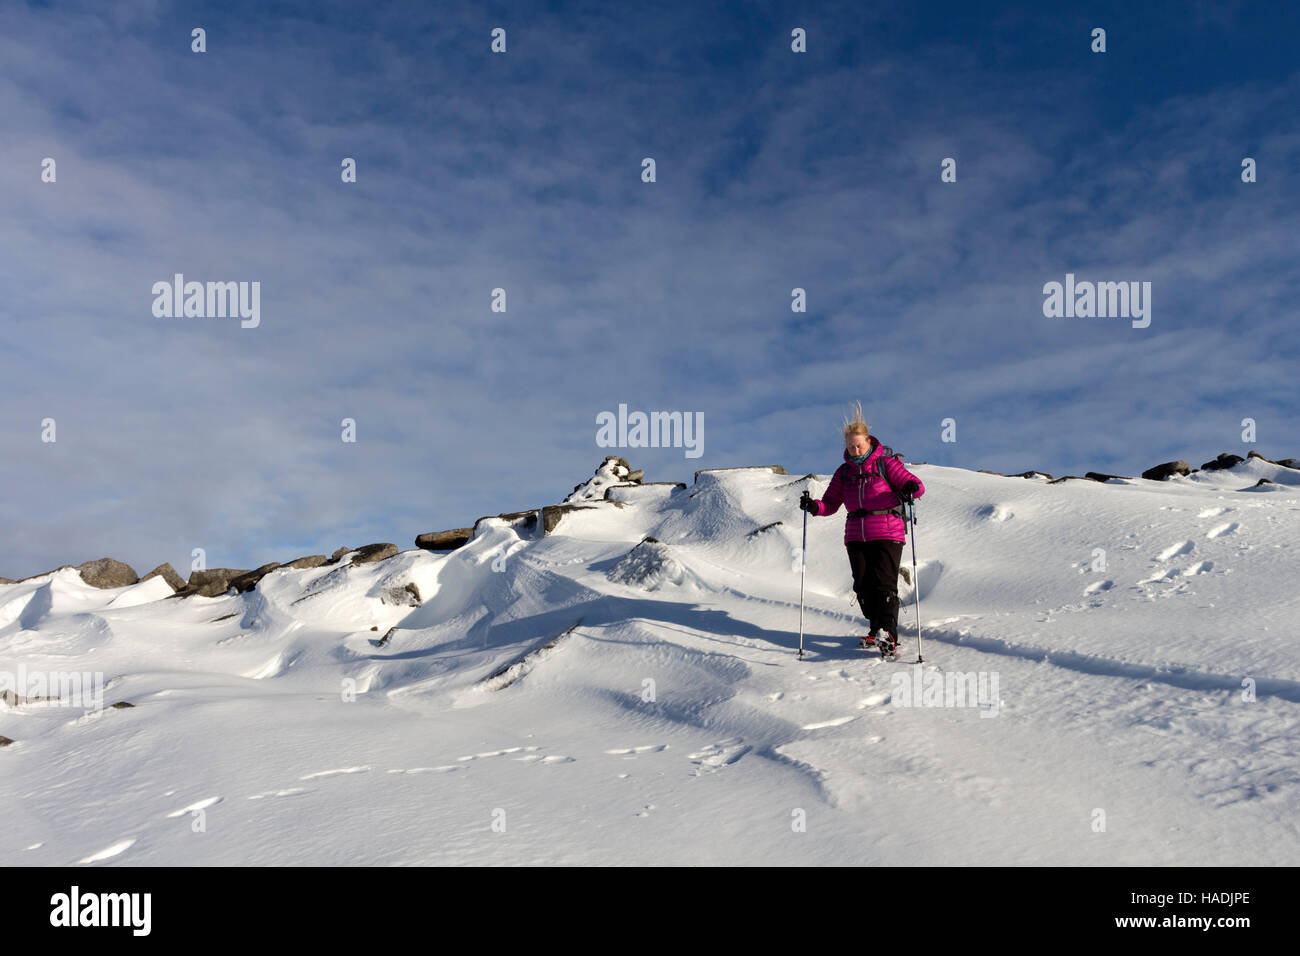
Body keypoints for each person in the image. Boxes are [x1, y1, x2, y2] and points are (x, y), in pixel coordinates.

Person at [799, 402, 924, 655]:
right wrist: (814, 506)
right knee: (862, 586)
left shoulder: (885, 465)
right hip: (856, 534)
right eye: (850, 446)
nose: (855, 450)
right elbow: (831, 503)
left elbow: (917, 485)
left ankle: (887, 633)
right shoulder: (844, 473)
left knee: (884, 583)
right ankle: (875, 628)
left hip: (888, 531)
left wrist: (911, 488)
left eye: (859, 445)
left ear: (869, 442)